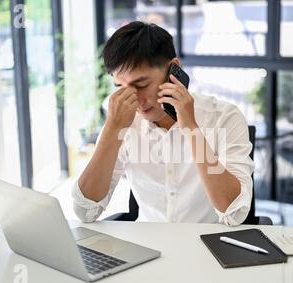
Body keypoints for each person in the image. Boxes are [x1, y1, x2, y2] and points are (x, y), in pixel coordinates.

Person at [72, 21, 254, 226]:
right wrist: (111, 131)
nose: (134, 99)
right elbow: (86, 210)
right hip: (148, 247)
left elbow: (234, 212)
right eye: (120, 87)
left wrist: (191, 130)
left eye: (141, 84)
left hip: (207, 247)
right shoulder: (123, 123)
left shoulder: (224, 117)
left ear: (173, 70)